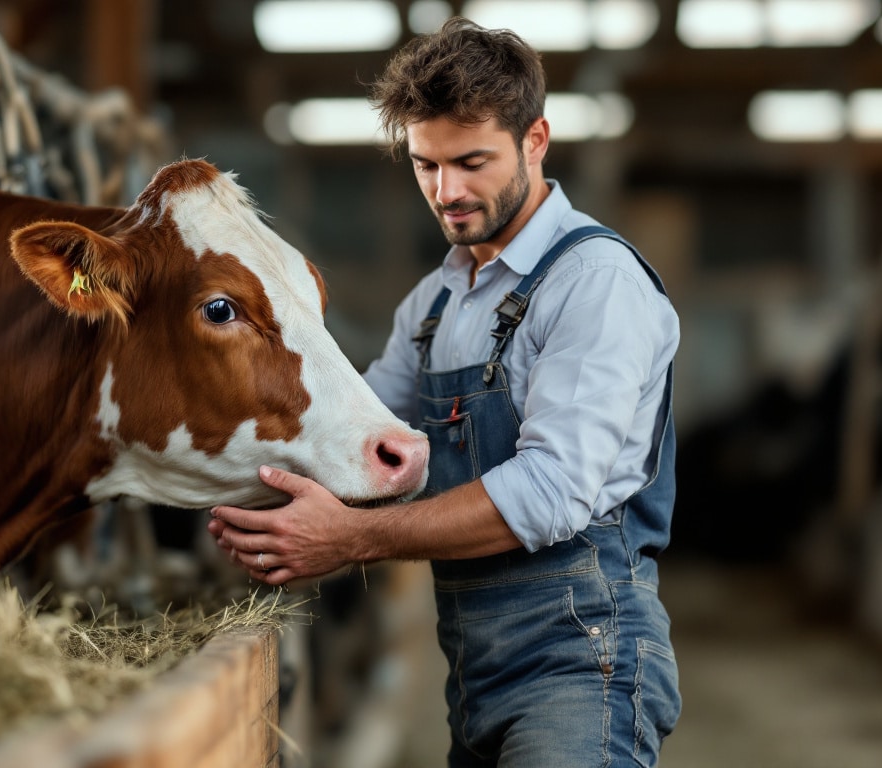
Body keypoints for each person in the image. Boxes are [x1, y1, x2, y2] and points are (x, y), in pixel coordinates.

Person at [208, 17, 681, 767]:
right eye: (426, 166)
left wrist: (350, 539)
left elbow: (551, 490)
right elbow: (340, 438)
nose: (447, 192)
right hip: (477, 671)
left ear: (536, 141)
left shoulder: (593, 284)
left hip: (583, 661)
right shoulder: (434, 304)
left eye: (472, 162)